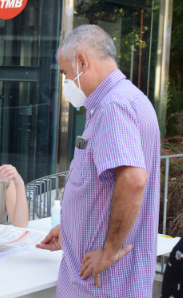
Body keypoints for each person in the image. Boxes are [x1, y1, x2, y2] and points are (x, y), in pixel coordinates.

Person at [36, 25, 160, 298]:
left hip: (102, 284)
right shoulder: (130, 99)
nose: (67, 81)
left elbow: (133, 180)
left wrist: (109, 250)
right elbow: (103, 187)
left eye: (66, 73)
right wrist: (69, 229)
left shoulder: (112, 106)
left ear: (82, 61)